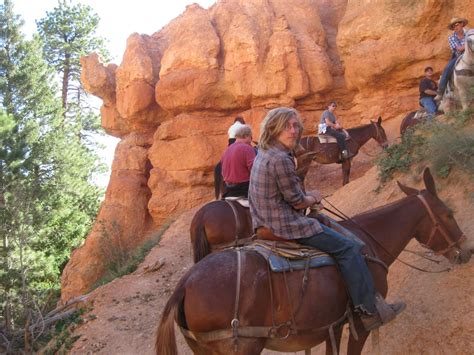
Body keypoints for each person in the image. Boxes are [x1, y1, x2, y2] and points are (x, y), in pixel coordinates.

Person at [249, 107, 405, 331]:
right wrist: (314, 196)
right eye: (287, 126)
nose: (293, 131)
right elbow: (296, 200)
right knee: (349, 248)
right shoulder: (281, 159)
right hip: (284, 225)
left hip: (264, 220)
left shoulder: (265, 152)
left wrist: (306, 199)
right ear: (273, 128)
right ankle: (368, 311)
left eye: (295, 126)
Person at [435, 17, 469, 101]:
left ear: (461, 24)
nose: (455, 27)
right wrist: (468, 45)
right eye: (453, 26)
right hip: (458, 56)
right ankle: (441, 92)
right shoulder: (451, 37)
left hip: (471, 53)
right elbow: (459, 49)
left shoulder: (469, 32)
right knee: (447, 69)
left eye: (456, 25)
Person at [221, 124, 256, 198]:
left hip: (228, 189)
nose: (251, 140)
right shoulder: (247, 148)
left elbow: (222, 171)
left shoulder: (227, 150)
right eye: (251, 137)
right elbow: (254, 170)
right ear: (246, 136)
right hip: (244, 189)